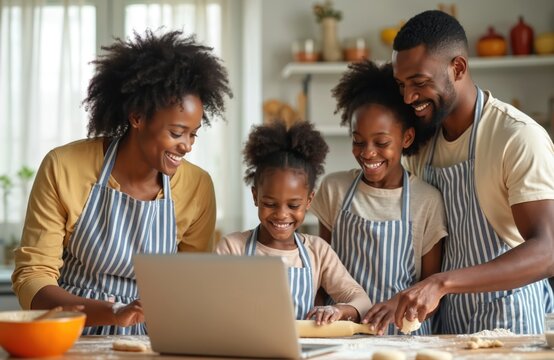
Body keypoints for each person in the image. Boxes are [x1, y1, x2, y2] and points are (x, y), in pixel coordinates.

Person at [12, 30, 232, 335]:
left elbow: (191, 285)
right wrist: (111, 312)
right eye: (177, 132)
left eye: (193, 134)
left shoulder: (197, 187)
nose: (187, 146)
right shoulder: (64, 166)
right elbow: (33, 276)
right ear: (137, 117)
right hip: (72, 329)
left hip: (153, 337)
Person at [391, 10, 554, 334]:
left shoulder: (515, 136)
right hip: (448, 323)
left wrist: (442, 283)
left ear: (458, 68)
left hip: (510, 324)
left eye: (419, 83)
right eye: (401, 85)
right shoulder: (423, 145)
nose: (409, 97)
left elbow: (548, 250)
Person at [309, 60, 447, 335]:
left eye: (381, 143)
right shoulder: (334, 189)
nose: (367, 153)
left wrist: (400, 309)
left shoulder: (426, 200)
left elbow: (429, 289)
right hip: (342, 333)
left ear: (407, 138)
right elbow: (320, 274)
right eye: (358, 141)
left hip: (404, 340)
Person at [216, 120, 371, 324]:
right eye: (270, 203)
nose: (281, 215)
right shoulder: (232, 248)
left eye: (293, 205)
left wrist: (340, 311)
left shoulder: (317, 251)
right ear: (255, 196)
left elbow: (362, 301)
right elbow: (212, 305)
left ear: (309, 201)